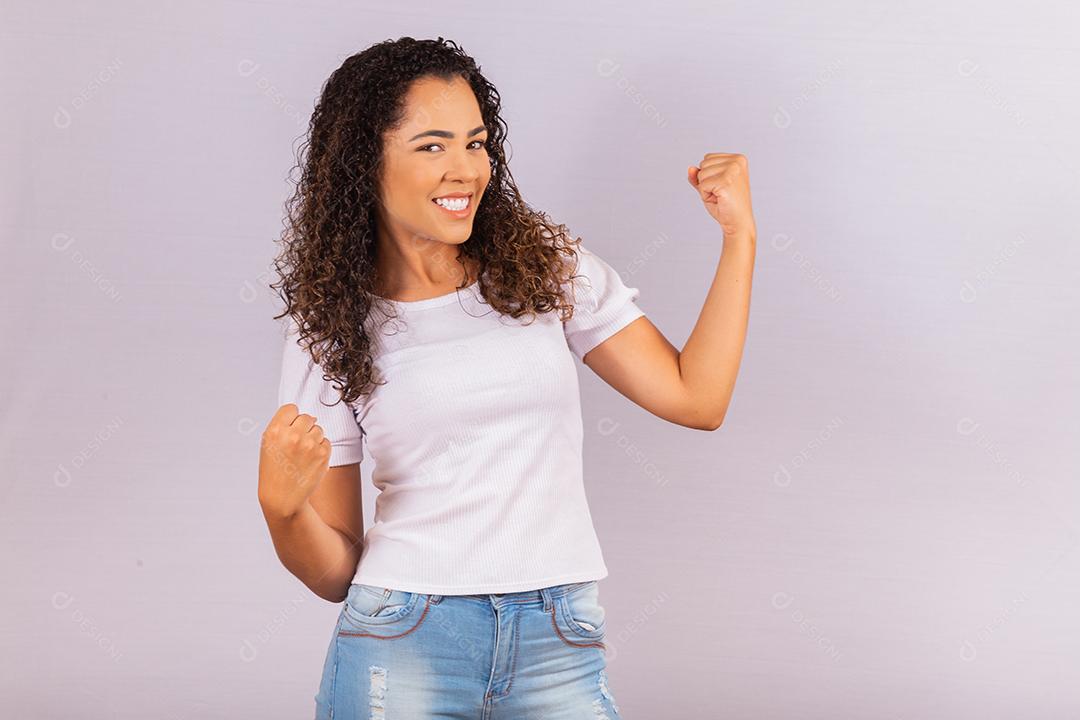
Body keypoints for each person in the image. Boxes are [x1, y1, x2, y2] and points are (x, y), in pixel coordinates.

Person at [257, 36, 756, 719]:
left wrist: (739, 237)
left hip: (558, 634)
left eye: (475, 143)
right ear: (364, 163)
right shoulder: (331, 323)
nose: (465, 169)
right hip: (404, 639)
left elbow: (697, 399)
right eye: (432, 146)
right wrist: (282, 511)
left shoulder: (545, 270)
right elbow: (336, 573)